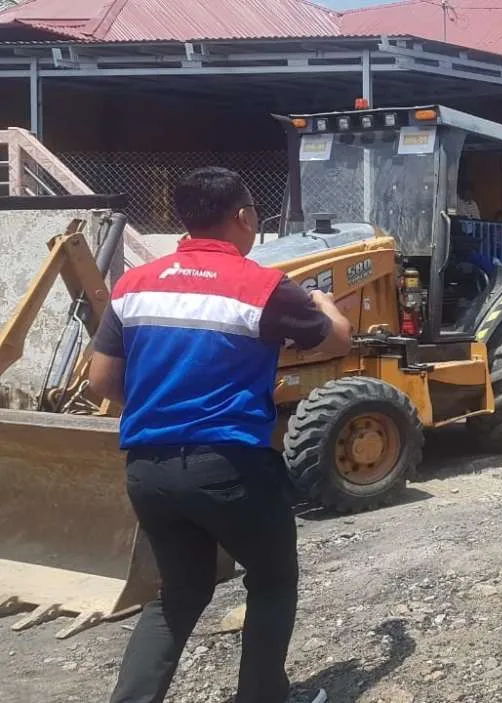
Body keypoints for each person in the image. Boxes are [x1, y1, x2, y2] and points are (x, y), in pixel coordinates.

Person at [90, 167, 352, 703]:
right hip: (230, 467)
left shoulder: (133, 284)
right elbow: (339, 342)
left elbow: (102, 380)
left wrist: (162, 412)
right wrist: (324, 303)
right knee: (273, 578)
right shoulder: (263, 287)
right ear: (242, 216)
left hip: (147, 469)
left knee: (177, 594)